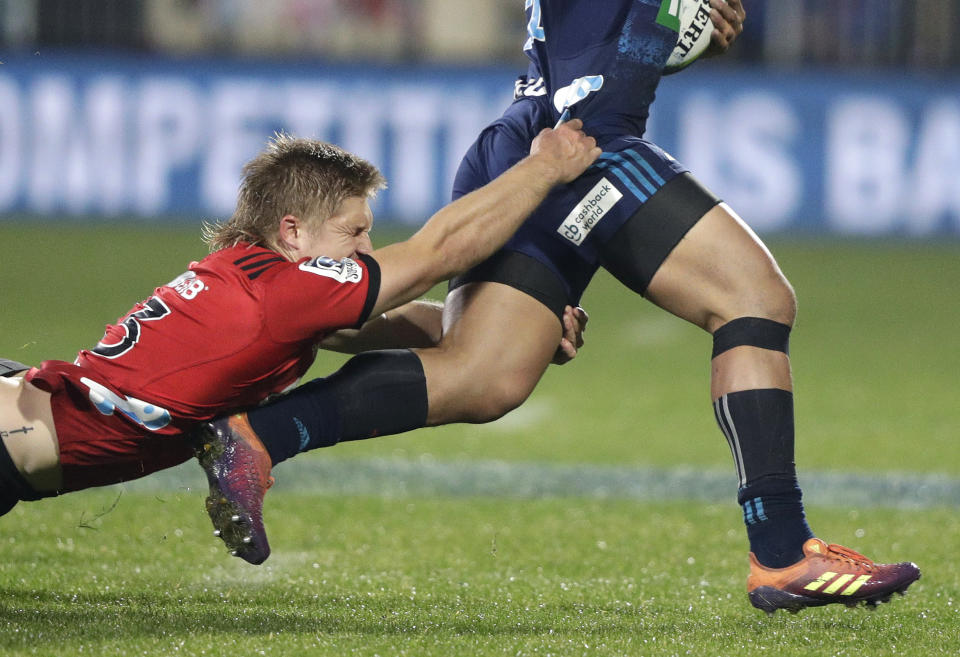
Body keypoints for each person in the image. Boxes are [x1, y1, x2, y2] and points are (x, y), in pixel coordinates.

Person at [198, 0, 920, 613]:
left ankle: (260, 434)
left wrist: (674, 27)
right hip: (584, 143)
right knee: (754, 300)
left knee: (482, 376)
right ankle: (783, 549)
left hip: (530, 135)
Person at [0, 125, 600, 534]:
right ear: (292, 233)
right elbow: (437, 253)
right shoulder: (283, 294)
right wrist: (545, 168)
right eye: (354, 233)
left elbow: (397, 326)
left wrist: (520, 329)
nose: (366, 251)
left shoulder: (253, 285)